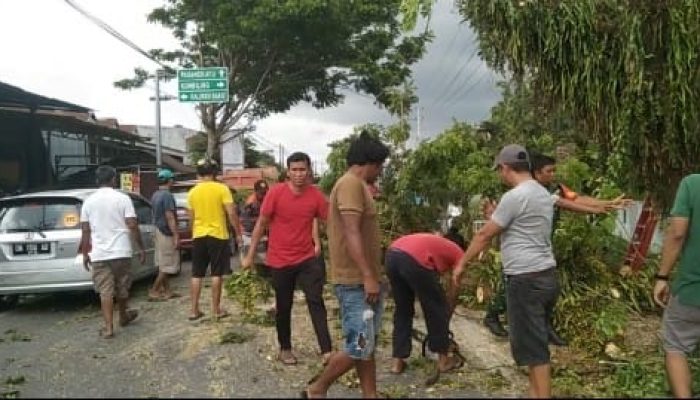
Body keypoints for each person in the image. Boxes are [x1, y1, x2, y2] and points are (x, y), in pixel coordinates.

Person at [482, 152, 630, 343]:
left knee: (545, 293)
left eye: (554, 171)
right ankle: (493, 316)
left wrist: (606, 204)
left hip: (541, 248)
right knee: (509, 290)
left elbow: (576, 199)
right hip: (520, 252)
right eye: (549, 171)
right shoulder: (525, 192)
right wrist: (599, 209)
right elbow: (566, 204)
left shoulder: (553, 189)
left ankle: (543, 328)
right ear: (536, 173)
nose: (553, 175)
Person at [452, 144, 558, 398]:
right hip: (546, 276)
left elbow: (484, 234)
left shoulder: (515, 196)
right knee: (534, 344)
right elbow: (515, 228)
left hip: (526, 279)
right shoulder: (542, 193)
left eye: (500, 170)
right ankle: (534, 393)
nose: (500, 174)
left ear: (506, 168)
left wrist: (461, 263)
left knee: (536, 350)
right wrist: (494, 215)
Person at [305, 131, 389, 399]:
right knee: (358, 345)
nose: (380, 172)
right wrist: (368, 276)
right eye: (380, 166)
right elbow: (352, 232)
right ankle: (317, 389)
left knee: (367, 344)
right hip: (355, 282)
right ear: (371, 163)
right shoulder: (351, 184)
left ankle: (370, 394)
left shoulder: (353, 185)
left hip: (361, 280)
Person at [242, 152, 332, 366]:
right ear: (288, 172)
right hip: (280, 259)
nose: (299, 174)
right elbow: (261, 225)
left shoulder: (316, 195)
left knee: (316, 300)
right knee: (284, 306)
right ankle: (285, 348)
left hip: (307, 258)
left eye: (302, 170)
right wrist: (249, 256)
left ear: (309, 170)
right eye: (295, 170)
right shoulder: (276, 194)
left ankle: (327, 350)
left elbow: (329, 224)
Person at [385, 232, 466, 375]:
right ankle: (444, 361)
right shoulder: (459, 252)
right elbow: (454, 287)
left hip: (392, 255)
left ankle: (397, 362)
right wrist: (446, 312)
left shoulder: (435, 244)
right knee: (436, 308)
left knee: (403, 310)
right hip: (413, 259)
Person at [80, 165, 145, 339]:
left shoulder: (88, 201)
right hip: (121, 250)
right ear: (113, 179)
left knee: (105, 291)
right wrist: (140, 247)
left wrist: (85, 253)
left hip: (99, 253)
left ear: (97, 181)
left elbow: (85, 230)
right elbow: (132, 224)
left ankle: (109, 328)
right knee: (122, 286)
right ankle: (123, 316)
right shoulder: (122, 198)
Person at [653, 174, 700, 398]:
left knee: (676, 345)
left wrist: (662, 277)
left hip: (693, 288)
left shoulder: (692, 184)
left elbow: (677, 233)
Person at [187, 159, 242, 321]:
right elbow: (231, 213)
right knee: (216, 273)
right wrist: (238, 233)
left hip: (199, 235)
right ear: (214, 173)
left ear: (199, 173)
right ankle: (216, 310)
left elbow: (191, 218)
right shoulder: (222, 189)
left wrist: (194, 232)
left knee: (196, 274)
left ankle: (194, 310)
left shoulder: (192, 192)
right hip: (218, 235)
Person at [148, 169, 181, 301]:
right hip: (165, 232)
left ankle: (167, 291)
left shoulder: (155, 194)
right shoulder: (167, 195)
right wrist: (176, 235)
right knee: (168, 263)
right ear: (170, 180)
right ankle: (155, 290)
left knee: (162, 263)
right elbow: (170, 216)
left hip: (157, 230)